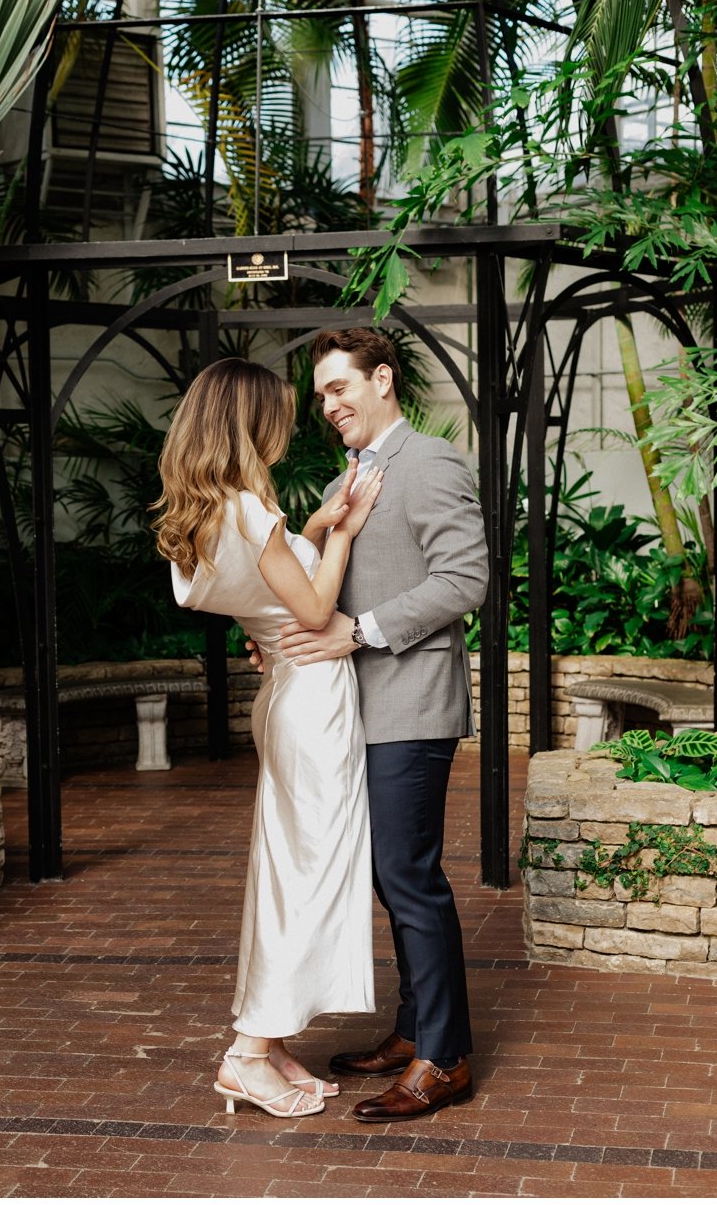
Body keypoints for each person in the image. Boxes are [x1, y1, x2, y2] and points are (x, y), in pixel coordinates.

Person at [254, 328, 489, 1123]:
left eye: (338, 388)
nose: (329, 405)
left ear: (383, 379)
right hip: (357, 708)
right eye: (321, 395)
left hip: (413, 703)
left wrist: (354, 632)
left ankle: (444, 1057)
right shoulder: (346, 476)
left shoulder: (431, 464)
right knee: (390, 877)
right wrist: (285, 641)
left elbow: (467, 579)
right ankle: (413, 1026)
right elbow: (319, 592)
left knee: (409, 876)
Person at [153, 357, 383, 1119]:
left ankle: (272, 1041)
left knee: (285, 873)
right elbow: (316, 610)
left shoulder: (211, 513)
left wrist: (314, 526)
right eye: (282, 412)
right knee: (308, 878)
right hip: (313, 699)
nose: (294, 421)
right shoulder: (252, 511)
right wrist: (345, 530)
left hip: (285, 695)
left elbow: (268, 588)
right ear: (252, 421)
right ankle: (248, 1053)